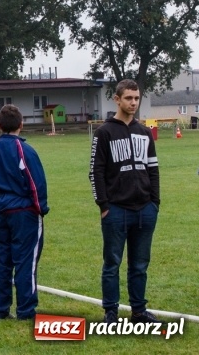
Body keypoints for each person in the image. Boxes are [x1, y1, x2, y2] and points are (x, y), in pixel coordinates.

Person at [89, 79, 160, 324]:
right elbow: (95, 171)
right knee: (112, 263)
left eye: (137, 98)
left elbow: (153, 169)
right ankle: (111, 311)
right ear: (117, 99)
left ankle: (139, 311)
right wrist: (104, 205)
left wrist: (155, 203)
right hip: (116, 210)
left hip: (145, 209)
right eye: (128, 98)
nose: (133, 102)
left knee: (140, 265)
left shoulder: (144, 132)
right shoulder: (104, 132)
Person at [0, 104, 48, 320]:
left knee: (2, 260)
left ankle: (0, 309)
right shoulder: (24, 150)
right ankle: (26, 311)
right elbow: (36, 183)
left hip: (0, 212)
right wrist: (41, 209)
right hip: (22, 213)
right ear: (21, 124)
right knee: (25, 261)